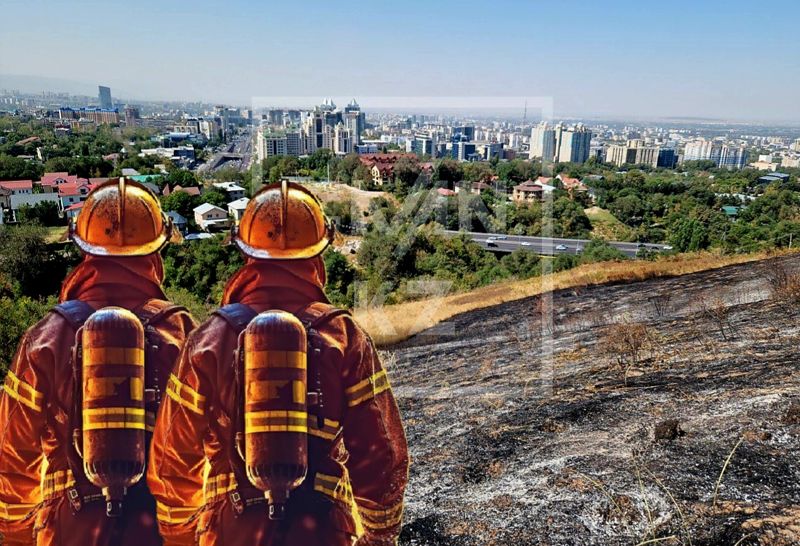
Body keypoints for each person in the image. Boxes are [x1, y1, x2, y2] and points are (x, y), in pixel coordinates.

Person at [148, 180, 409, 546]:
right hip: (323, 531)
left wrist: (180, 537)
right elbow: (382, 453)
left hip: (228, 531)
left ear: (247, 255)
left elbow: (171, 458)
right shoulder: (344, 336)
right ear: (318, 256)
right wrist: (379, 537)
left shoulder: (208, 339)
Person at [0, 178, 197, 546]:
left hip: (69, 531)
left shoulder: (44, 338)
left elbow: (12, 467)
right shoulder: (184, 334)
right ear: (155, 253)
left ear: (85, 252)